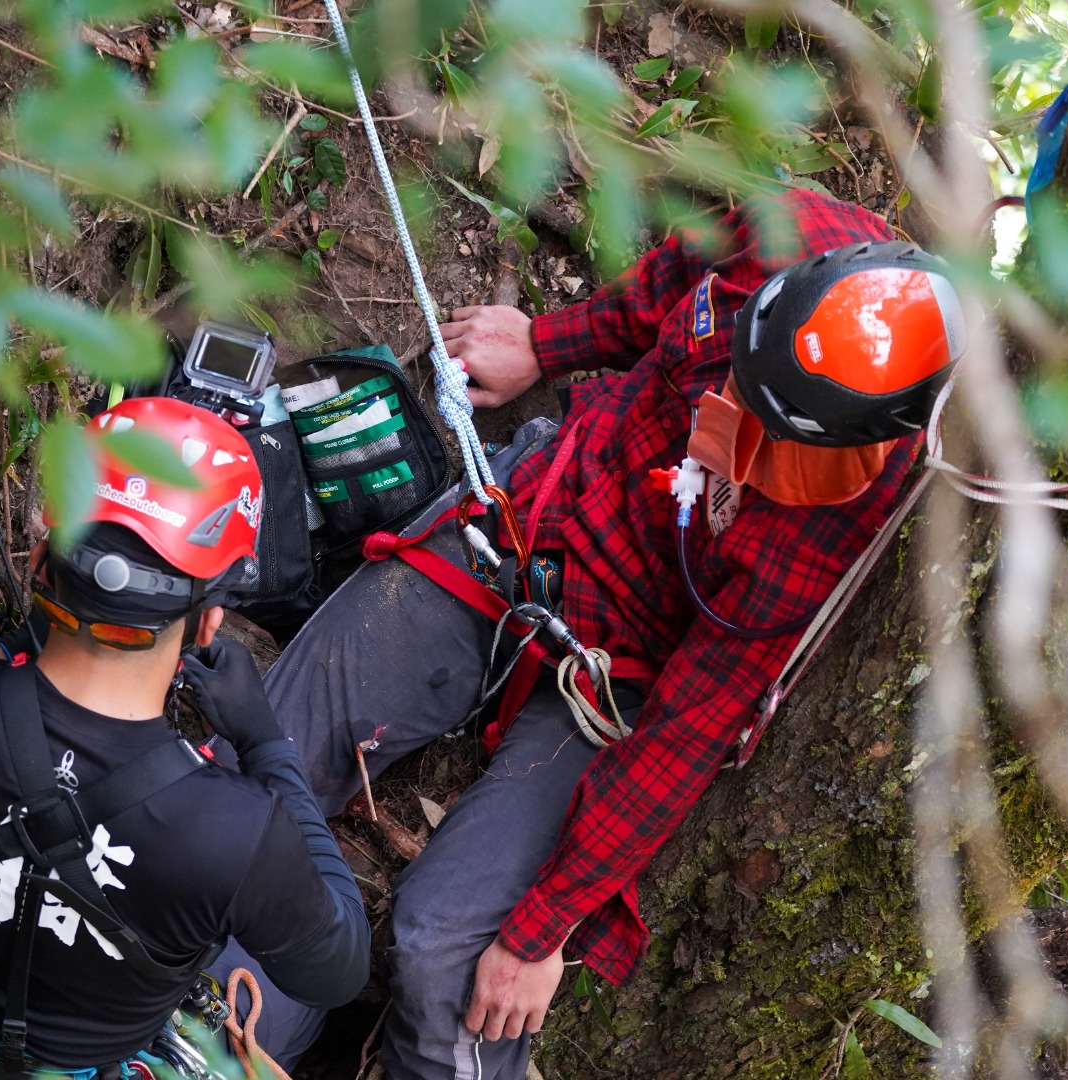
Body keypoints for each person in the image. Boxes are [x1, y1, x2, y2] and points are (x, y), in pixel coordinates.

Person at [264, 188, 965, 1079]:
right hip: (533, 517)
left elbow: (692, 725)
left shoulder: (857, 515)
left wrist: (545, 923)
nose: (729, 436)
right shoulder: (788, 231)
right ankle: (206, 1047)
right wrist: (544, 346)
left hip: (613, 676)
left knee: (448, 962)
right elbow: (664, 284)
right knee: (269, 767)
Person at [0, 397, 370, 1078]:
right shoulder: (238, 835)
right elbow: (336, 973)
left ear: (37, 561)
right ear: (209, 622)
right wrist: (267, 744)